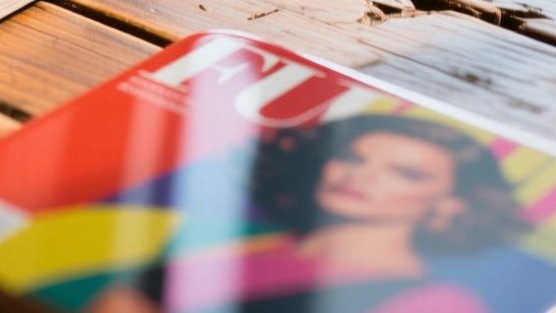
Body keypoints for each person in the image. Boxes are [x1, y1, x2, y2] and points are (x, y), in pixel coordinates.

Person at [87, 114, 528, 313]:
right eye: (354, 158)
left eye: (406, 174)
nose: (362, 176)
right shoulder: (235, 251)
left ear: (448, 204)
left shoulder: (436, 305)